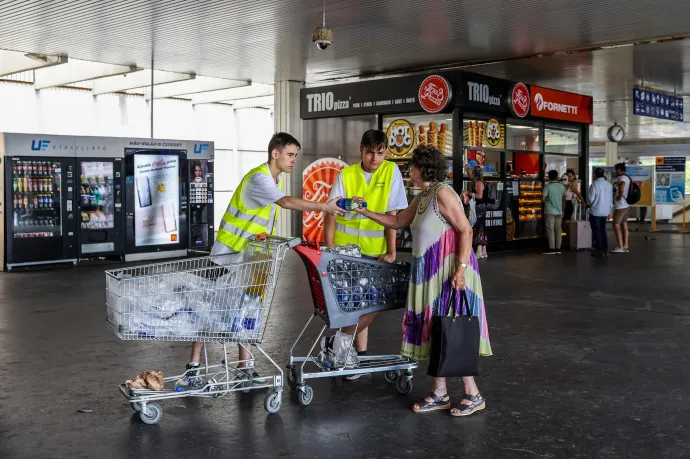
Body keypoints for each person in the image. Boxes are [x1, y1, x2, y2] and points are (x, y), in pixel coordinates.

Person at [184, 132, 345, 381]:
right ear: (275, 153)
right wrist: (324, 206)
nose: (293, 160)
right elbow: (286, 203)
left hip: (251, 259)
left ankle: (245, 366)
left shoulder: (273, 181)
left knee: (249, 308)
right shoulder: (259, 179)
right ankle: (194, 364)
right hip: (227, 256)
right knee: (209, 307)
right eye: (290, 155)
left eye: (295, 156)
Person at [354, 144, 492, 416]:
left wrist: (461, 270)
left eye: (412, 165)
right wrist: (364, 211)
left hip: (449, 273)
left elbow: (466, 229)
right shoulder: (424, 195)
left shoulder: (442, 192)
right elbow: (397, 222)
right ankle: (440, 392)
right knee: (433, 329)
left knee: (453, 332)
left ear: (423, 167)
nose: (409, 169)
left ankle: (473, 394)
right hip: (429, 273)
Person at [323, 129, 408, 380]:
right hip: (345, 252)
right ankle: (350, 355)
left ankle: (338, 344)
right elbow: (330, 213)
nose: (375, 158)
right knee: (351, 306)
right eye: (370, 152)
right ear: (361, 149)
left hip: (374, 252)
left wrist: (391, 250)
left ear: (386, 152)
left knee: (373, 303)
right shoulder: (346, 174)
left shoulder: (391, 172)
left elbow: (392, 214)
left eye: (380, 153)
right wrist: (329, 249)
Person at [587, 167, 614, 258]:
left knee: (596, 231)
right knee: (603, 230)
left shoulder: (594, 185)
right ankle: (605, 249)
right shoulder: (609, 185)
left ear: (595, 174)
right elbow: (611, 200)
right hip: (605, 211)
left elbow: (590, 199)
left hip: (595, 211)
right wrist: (609, 211)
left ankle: (599, 249)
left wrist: (588, 204)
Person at [464, 164, 488, 259]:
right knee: (481, 227)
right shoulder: (478, 181)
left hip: (479, 208)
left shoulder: (479, 183)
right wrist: (467, 169)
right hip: (481, 207)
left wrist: (468, 193)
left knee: (478, 227)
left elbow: (479, 196)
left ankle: (479, 250)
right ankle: (483, 251)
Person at [542, 170, 566, 255]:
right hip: (559, 211)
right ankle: (558, 248)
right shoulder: (562, 187)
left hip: (549, 211)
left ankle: (552, 248)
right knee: (558, 229)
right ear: (557, 176)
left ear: (549, 177)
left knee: (550, 229)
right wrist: (563, 210)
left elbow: (543, 199)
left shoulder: (547, 187)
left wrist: (548, 200)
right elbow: (564, 200)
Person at [612, 163, 631, 253]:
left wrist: (619, 197)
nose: (615, 171)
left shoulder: (622, 178)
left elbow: (622, 186)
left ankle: (620, 246)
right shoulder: (627, 177)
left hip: (620, 206)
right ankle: (625, 245)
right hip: (626, 205)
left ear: (619, 170)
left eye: (616, 170)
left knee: (616, 225)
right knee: (624, 224)